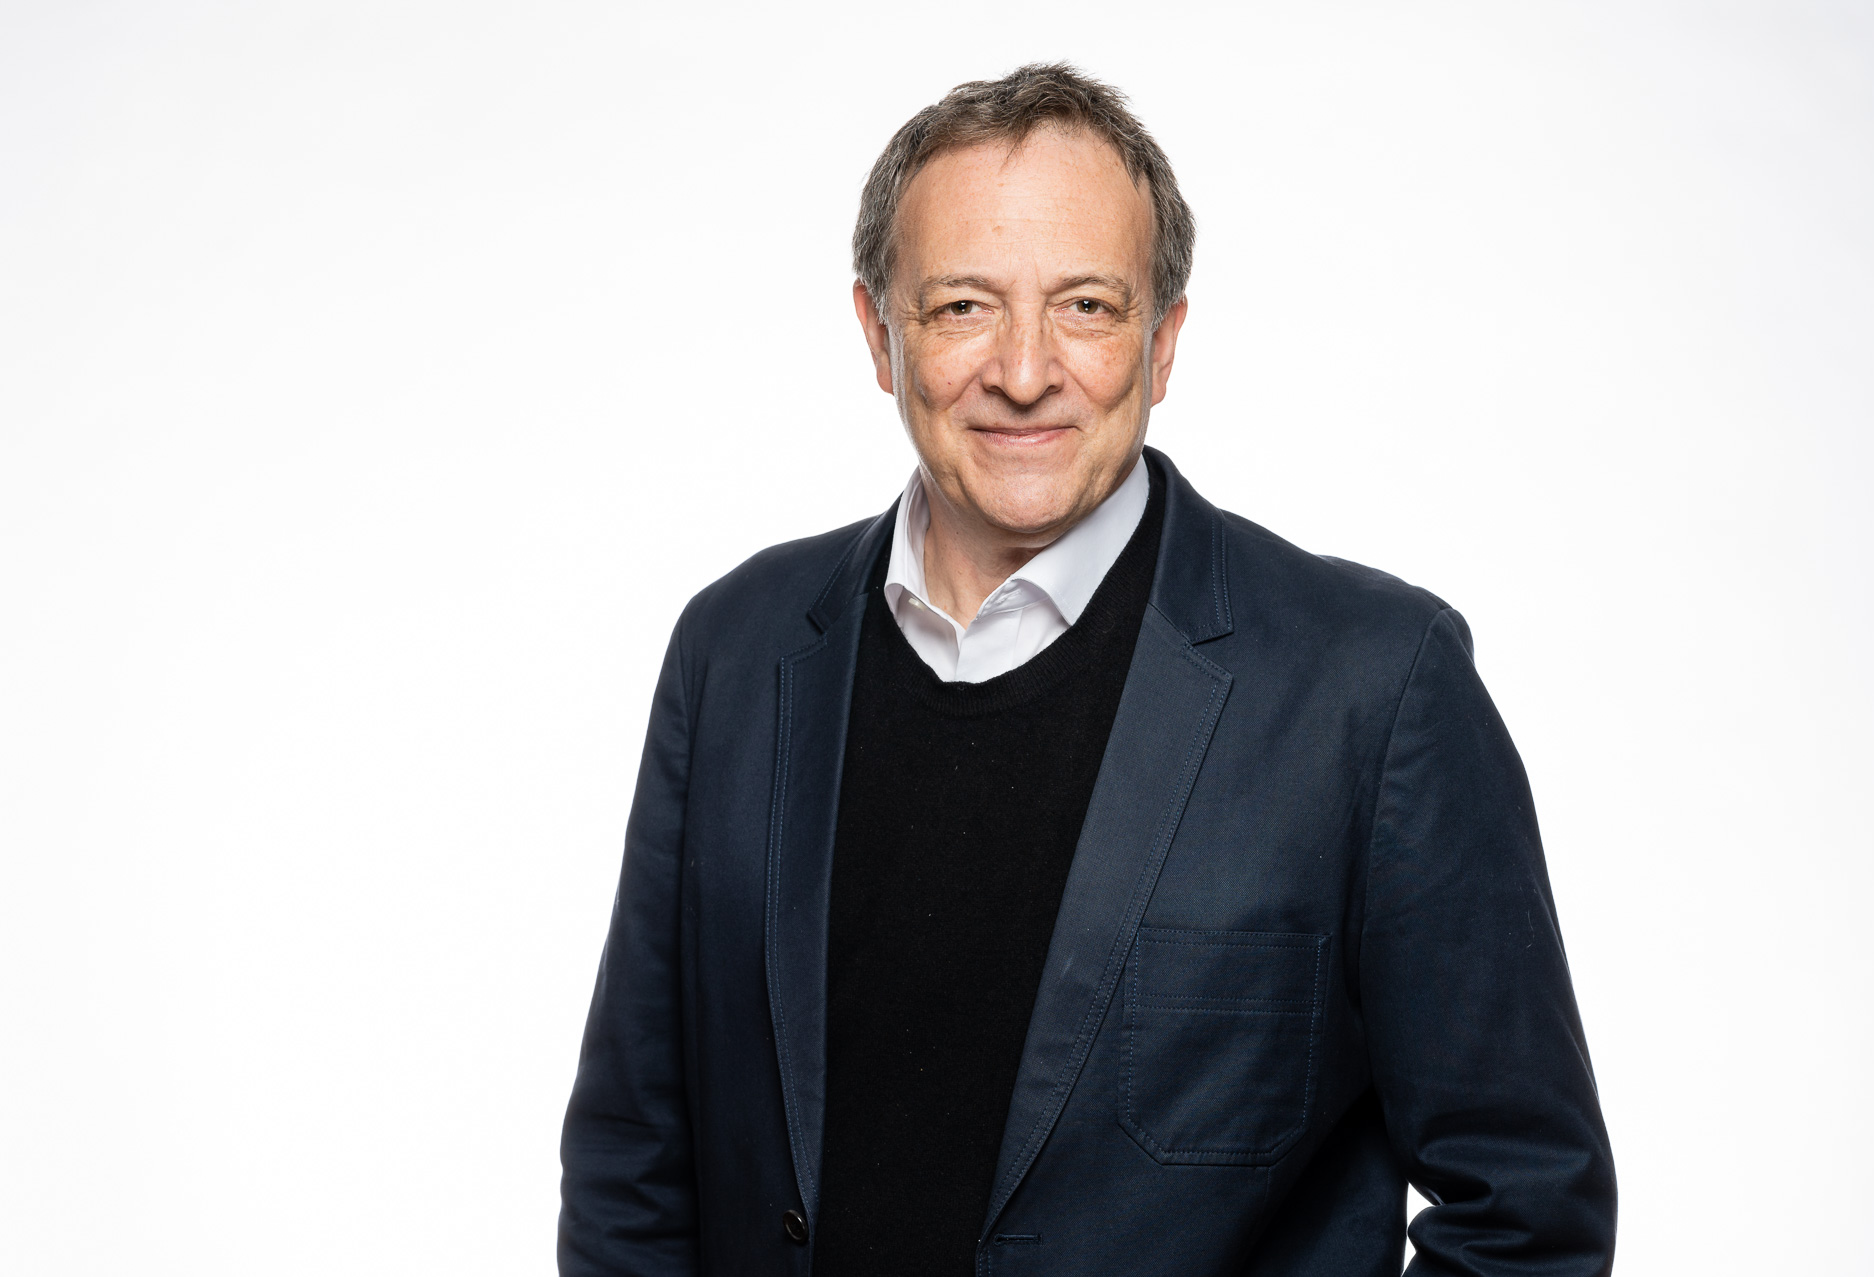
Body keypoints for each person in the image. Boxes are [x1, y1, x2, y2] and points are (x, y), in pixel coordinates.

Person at [558, 63, 1615, 1277]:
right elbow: (635, 1154)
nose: (1022, 369)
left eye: (1088, 308)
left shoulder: (1372, 690)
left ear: (1163, 342)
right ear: (878, 332)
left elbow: (1529, 1206)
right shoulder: (734, 652)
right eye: (962, 306)